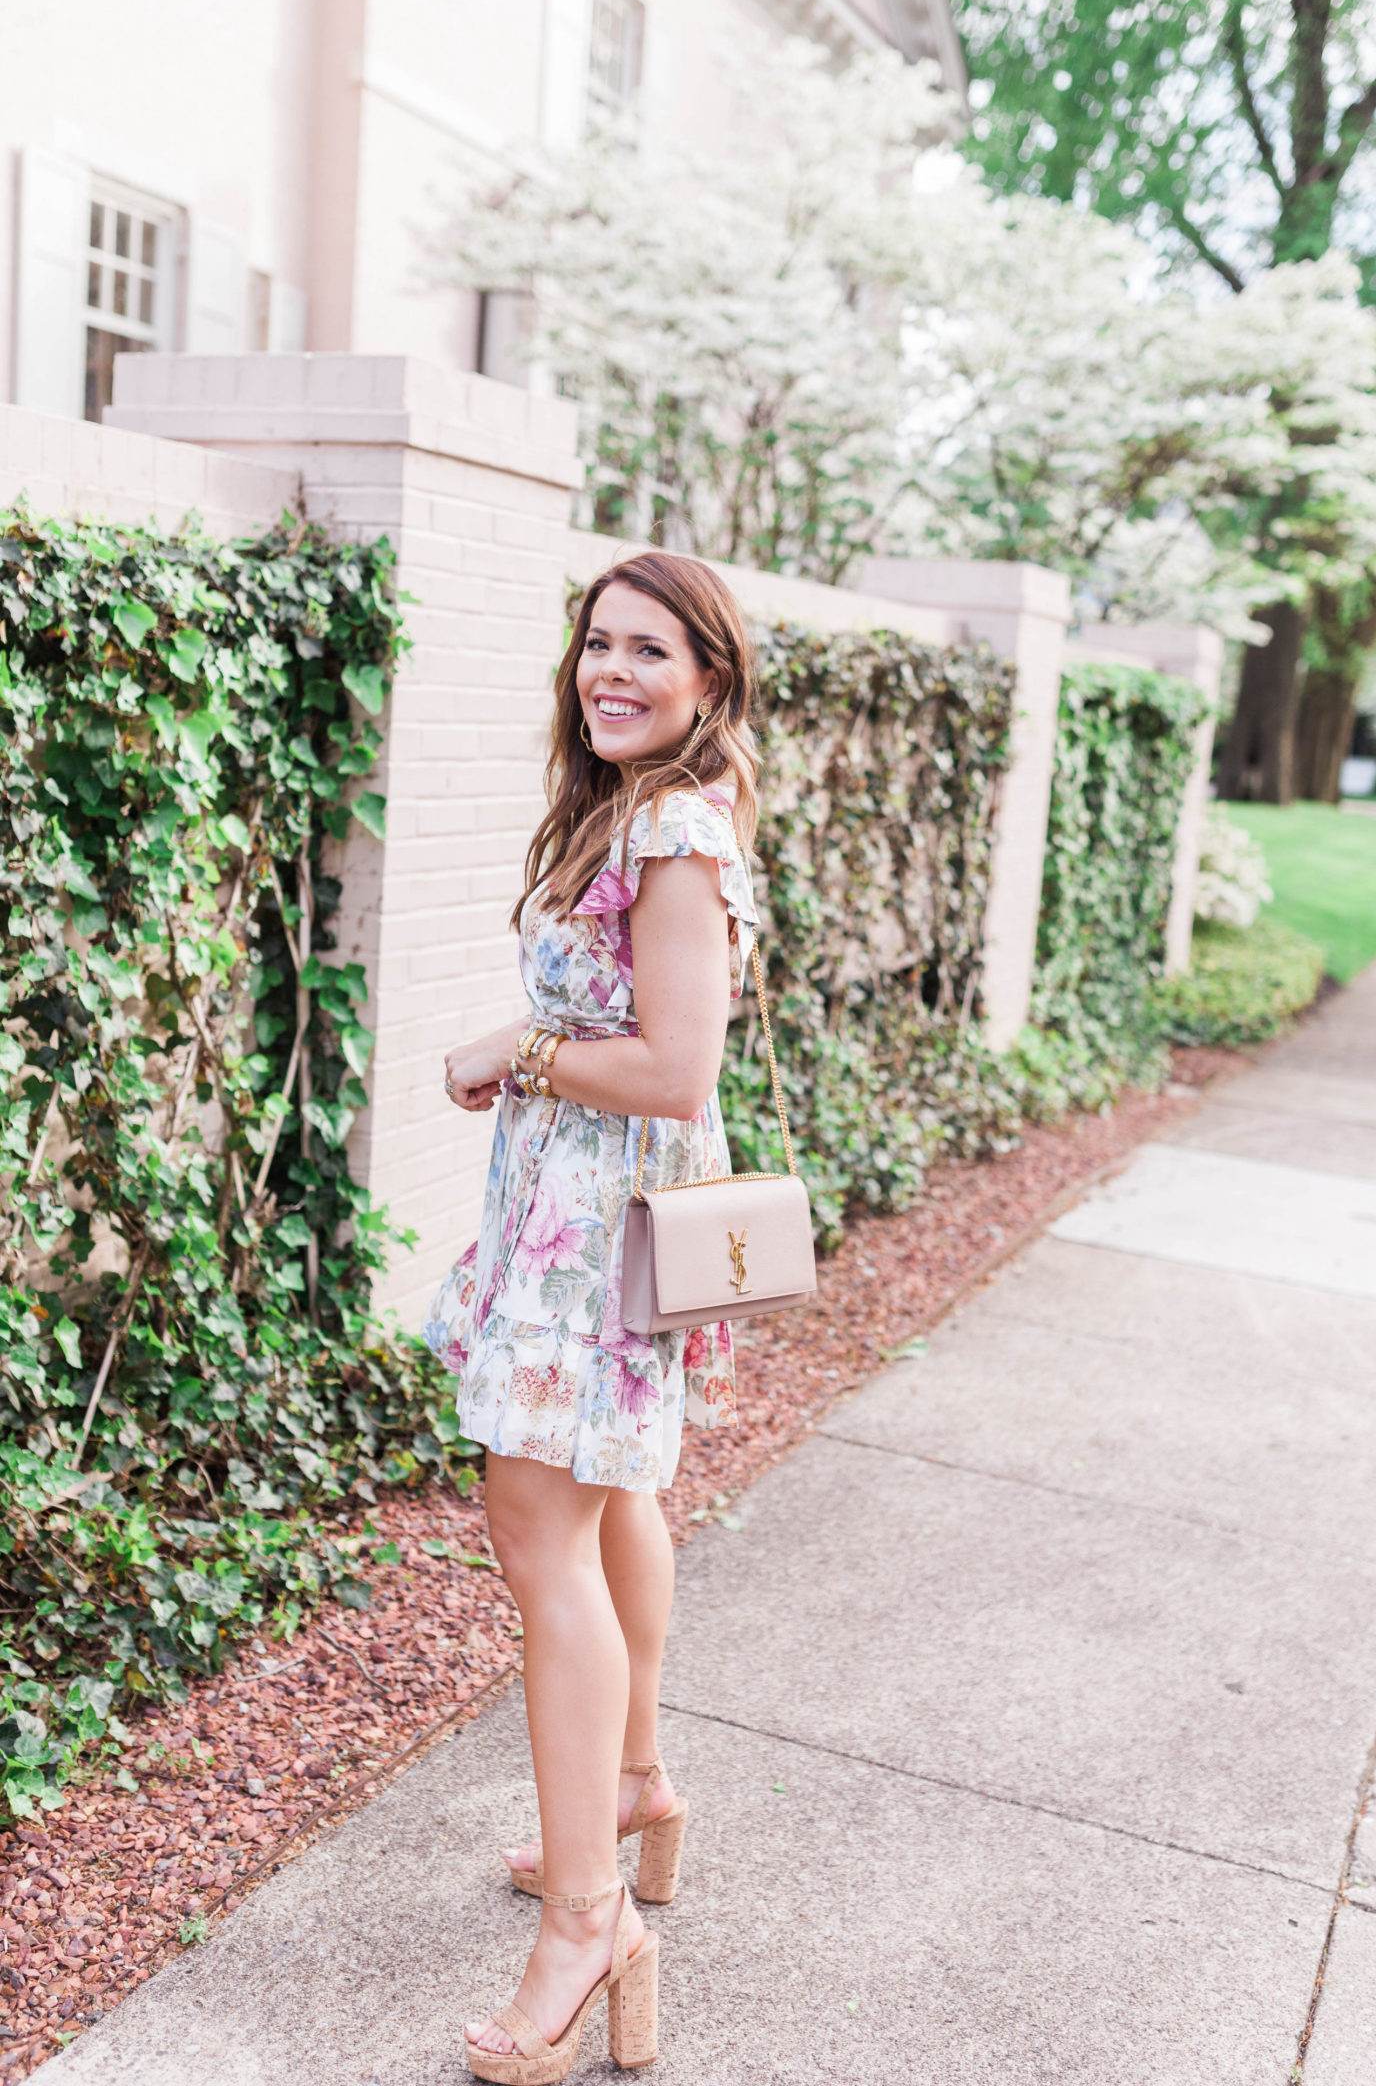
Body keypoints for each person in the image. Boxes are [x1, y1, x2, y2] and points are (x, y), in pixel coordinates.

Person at [427, 550, 761, 2082]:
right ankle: (631, 1786)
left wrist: (523, 1044)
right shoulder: (625, 811)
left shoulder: (678, 830)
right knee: (616, 1501)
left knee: (537, 1541)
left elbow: (677, 1071)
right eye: (597, 646)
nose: (611, 673)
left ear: (708, 677)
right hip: (574, 1219)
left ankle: (586, 1924)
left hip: (590, 1242)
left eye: (650, 652)